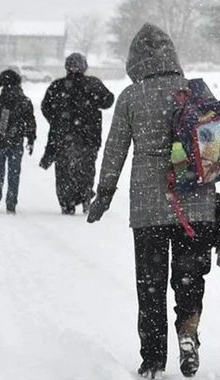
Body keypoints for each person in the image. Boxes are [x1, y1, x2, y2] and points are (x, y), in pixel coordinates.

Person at [87, 24, 215, 379]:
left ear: (135, 60)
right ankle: (188, 333)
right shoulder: (194, 93)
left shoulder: (131, 96)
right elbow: (213, 151)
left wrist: (104, 195)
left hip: (149, 209)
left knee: (151, 285)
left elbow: (114, 151)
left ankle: (153, 361)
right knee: (189, 278)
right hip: (197, 205)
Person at [40, 53, 114, 215]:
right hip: (89, 137)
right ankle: (85, 195)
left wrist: (57, 120)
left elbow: (46, 107)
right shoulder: (93, 84)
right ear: (84, 67)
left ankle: (67, 202)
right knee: (86, 169)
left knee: (64, 171)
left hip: (63, 137)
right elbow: (108, 100)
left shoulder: (57, 86)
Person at [0, 69, 36, 214]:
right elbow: (30, 122)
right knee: (14, 173)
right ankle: (11, 201)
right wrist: (31, 138)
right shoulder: (24, 102)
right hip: (16, 141)